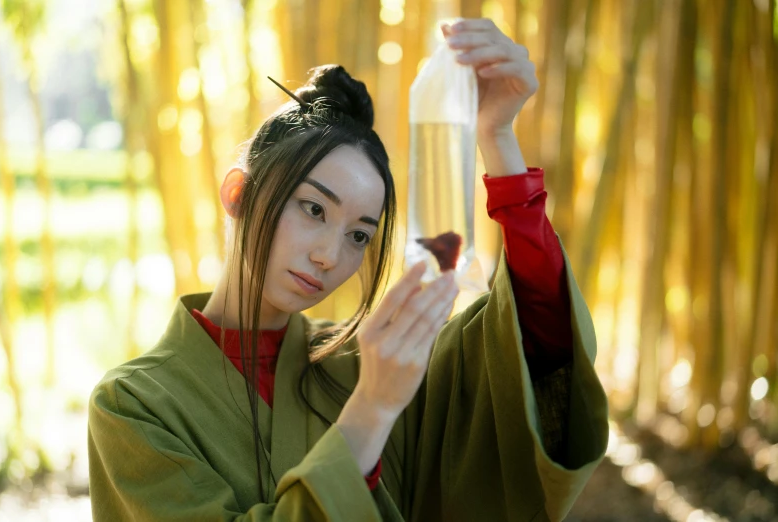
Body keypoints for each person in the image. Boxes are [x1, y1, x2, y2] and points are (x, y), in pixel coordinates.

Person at [88, 18, 608, 522]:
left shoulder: (372, 362)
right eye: (314, 209)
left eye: (359, 234)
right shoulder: (133, 407)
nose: (329, 256)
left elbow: (533, 351)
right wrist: (372, 411)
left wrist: (498, 138)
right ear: (239, 193)